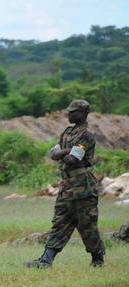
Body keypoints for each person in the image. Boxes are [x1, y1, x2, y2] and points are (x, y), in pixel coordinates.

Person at [26, 100, 105, 268]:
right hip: (67, 186)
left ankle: (98, 260)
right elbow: (52, 154)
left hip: (83, 187)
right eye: (69, 112)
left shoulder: (87, 135)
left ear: (83, 113)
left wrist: (65, 152)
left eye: (73, 112)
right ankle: (46, 261)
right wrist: (68, 150)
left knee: (87, 225)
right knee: (60, 222)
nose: (68, 115)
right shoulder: (67, 132)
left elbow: (72, 159)